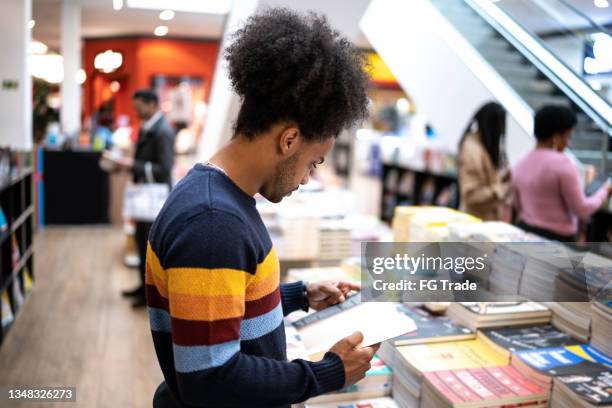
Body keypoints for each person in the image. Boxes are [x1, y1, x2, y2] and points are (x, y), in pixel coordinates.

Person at [145, 9, 377, 408]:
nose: (306, 179)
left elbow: (217, 306)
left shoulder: (219, 195)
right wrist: (329, 372)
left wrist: (295, 295)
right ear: (289, 141)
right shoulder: (214, 222)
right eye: (313, 163)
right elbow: (211, 379)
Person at [512, 105, 609, 242]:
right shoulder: (563, 163)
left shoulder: (520, 161)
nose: (568, 142)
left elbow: (517, 204)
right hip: (558, 240)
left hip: (527, 233)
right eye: (567, 136)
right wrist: (604, 191)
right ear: (556, 136)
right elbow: (581, 209)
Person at [119, 90, 175, 308]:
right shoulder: (150, 128)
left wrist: (132, 165)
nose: (136, 110)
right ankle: (142, 288)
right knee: (141, 243)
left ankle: (150, 295)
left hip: (154, 200)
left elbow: (164, 169)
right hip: (145, 199)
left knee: (150, 247)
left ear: (152, 104)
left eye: (139, 105)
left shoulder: (162, 131)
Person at [457, 101, 510, 220]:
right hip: (474, 222)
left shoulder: (487, 147)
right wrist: (502, 189)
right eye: (499, 127)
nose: (501, 132)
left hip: (488, 221)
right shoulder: (471, 150)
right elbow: (471, 195)